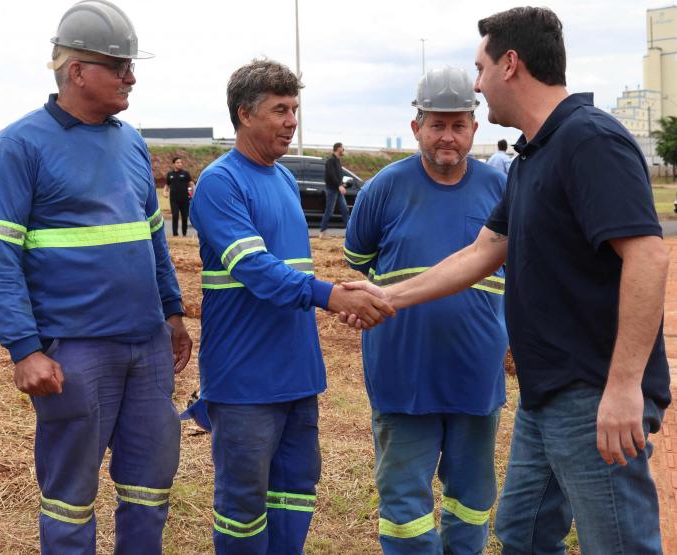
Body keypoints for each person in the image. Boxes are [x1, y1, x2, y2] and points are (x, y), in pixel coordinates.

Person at [343, 7, 670, 554]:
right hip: (545, 395)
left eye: (480, 67)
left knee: (617, 542)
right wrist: (386, 296)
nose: (477, 83)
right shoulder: (533, 157)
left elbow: (649, 257)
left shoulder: (588, 141)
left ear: (510, 64)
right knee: (521, 530)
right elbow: (483, 251)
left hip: (593, 391)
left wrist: (622, 387)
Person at [0, 2, 192, 553]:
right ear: (76, 71)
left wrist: (173, 314)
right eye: (119, 66)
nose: (131, 77)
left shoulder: (130, 141)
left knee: (150, 486)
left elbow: (152, 239)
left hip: (146, 348)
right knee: (70, 497)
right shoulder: (20, 146)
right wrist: (24, 350)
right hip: (75, 351)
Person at [190, 58, 394, 555]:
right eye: (280, 110)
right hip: (244, 381)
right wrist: (329, 295)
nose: (291, 121)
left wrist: (338, 291)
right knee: (242, 503)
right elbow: (256, 269)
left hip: (297, 373)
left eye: (294, 109)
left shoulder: (281, 178)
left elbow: (295, 273)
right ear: (244, 114)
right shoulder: (221, 183)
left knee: (295, 492)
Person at [344, 66, 507, 554]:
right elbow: (358, 262)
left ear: (475, 129)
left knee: (473, 497)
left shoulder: (499, 190)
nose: (448, 137)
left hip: (475, 373)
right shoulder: (384, 189)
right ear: (416, 127)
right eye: (437, 124)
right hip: (402, 371)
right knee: (404, 500)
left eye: (458, 125)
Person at [318, 142, 350, 238]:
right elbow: (331, 175)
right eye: (342, 149)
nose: (343, 150)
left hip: (337, 189)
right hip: (332, 189)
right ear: (338, 149)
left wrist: (342, 184)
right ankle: (322, 232)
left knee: (345, 210)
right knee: (329, 211)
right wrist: (339, 185)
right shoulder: (331, 161)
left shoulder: (337, 160)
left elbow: (337, 175)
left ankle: (350, 231)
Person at [164, 156, 194, 236]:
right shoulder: (170, 174)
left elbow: (191, 184)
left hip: (184, 199)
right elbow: (166, 186)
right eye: (178, 162)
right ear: (174, 164)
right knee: (175, 215)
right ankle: (175, 234)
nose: (180, 164)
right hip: (174, 199)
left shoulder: (185, 174)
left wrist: (194, 194)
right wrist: (165, 192)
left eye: (181, 162)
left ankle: (184, 234)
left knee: (184, 217)